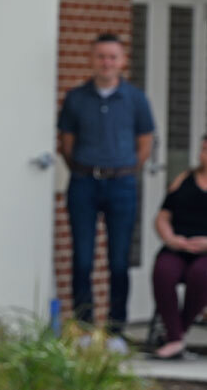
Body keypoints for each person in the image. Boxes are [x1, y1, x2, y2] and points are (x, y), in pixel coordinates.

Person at [57, 33, 155, 347]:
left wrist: (124, 168)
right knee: (82, 258)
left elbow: (145, 143)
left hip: (122, 184)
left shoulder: (135, 99)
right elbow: (66, 144)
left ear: (122, 61)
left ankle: (115, 330)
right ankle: (84, 328)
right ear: (91, 59)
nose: (106, 62)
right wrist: (85, 168)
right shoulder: (76, 98)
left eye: (112, 57)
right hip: (84, 182)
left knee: (119, 260)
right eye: (101, 56)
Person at [150, 134, 207, 359]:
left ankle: (176, 333)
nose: (204, 155)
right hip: (178, 246)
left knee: (201, 275)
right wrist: (170, 238)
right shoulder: (183, 179)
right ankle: (175, 338)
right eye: (203, 149)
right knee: (163, 271)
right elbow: (162, 216)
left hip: (205, 252)